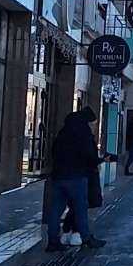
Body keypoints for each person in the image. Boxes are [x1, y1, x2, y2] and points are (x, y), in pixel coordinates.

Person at [46, 107, 106, 253]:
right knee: (80, 208)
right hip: (77, 177)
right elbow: (88, 155)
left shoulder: (63, 132)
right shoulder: (84, 134)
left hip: (59, 176)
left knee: (55, 210)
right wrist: (98, 161)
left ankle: (52, 241)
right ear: (88, 121)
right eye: (92, 123)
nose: (93, 126)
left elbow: (53, 151)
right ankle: (86, 238)